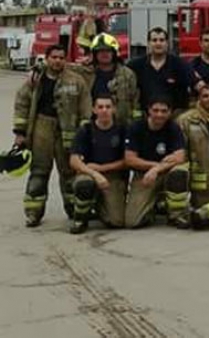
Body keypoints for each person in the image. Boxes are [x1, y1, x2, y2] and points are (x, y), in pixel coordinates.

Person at [13, 44, 90, 227]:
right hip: (42, 127)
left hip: (68, 130)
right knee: (39, 171)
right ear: (47, 58)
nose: (58, 61)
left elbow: (85, 107)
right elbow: (22, 102)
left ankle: (73, 210)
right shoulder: (35, 80)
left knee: (69, 173)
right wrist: (20, 133)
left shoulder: (76, 80)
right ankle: (33, 212)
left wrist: (84, 135)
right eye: (54, 57)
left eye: (61, 57)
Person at [124, 95, 189, 229]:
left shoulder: (174, 128)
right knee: (132, 222)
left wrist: (156, 169)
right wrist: (154, 166)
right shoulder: (136, 127)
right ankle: (154, 206)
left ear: (170, 112)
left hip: (166, 173)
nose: (160, 115)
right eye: (156, 110)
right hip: (144, 176)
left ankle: (176, 215)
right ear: (149, 110)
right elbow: (129, 159)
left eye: (164, 111)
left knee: (179, 173)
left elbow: (180, 157)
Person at [67, 93, 128, 234]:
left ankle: (99, 204)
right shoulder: (85, 130)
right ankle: (80, 219)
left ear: (114, 109)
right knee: (84, 184)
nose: (104, 110)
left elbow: (127, 161)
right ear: (94, 110)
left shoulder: (122, 130)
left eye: (108, 107)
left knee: (116, 221)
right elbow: (74, 161)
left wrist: (102, 168)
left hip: (112, 177)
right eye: (100, 107)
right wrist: (95, 173)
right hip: (89, 175)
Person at [73, 33, 140, 127]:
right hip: (92, 125)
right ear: (94, 54)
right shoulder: (84, 73)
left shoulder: (127, 75)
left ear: (114, 53)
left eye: (108, 51)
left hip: (121, 125)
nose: (104, 54)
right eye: (100, 51)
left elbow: (135, 100)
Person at [127, 27, 191, 114]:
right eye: (154, 40)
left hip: (173, 116)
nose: (158, 43)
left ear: (167, 43)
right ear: (148, 43)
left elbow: (194, 83)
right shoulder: (135, 65)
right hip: (145, 117)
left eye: (162, 40)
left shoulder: (179, 65)